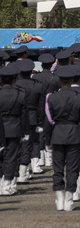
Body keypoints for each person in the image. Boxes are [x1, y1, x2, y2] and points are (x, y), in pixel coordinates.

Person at [44, 65, 80, 211]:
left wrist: (47, 139)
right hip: (74, 134)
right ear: (72, 80)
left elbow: (48, 121)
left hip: (57, 134)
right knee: (72, 169)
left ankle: (59, 199)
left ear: (59, 80)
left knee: (57, 169)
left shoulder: (52, 98)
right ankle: (69, 200)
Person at [0, 64, 28, 196]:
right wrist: (25, 132)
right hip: (14, 127)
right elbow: (24, 116)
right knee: (11, 158)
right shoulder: (20, 93)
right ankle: (7, 184)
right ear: (14, 79)